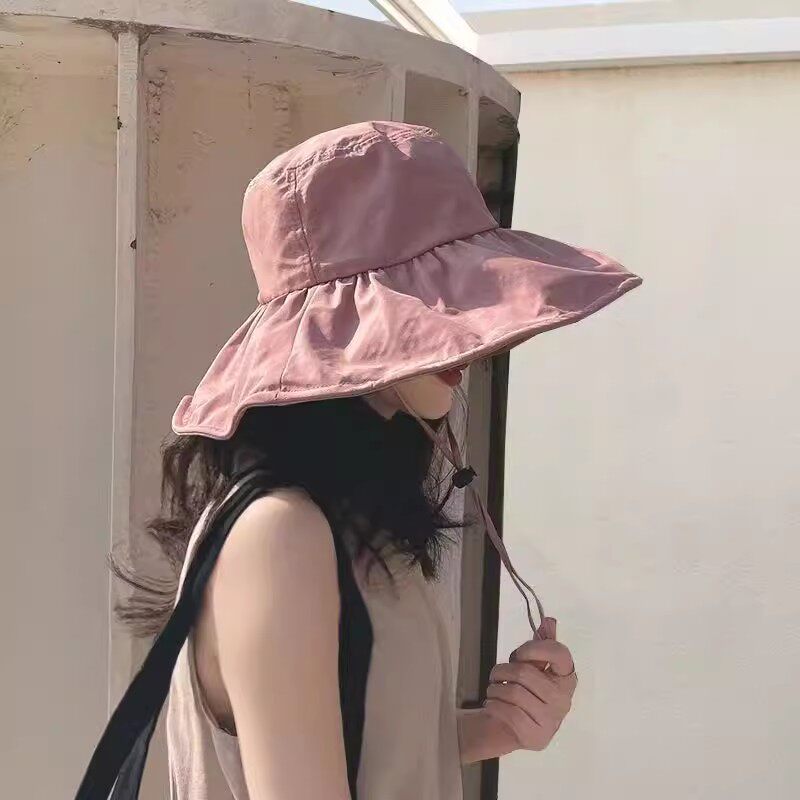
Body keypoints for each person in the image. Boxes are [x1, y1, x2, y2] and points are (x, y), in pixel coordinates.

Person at [108, 120, 642, 800]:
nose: (469, 343)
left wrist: (498, 728)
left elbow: (363, 748)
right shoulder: (282, 534)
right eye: (434, 306)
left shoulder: (341, 524)